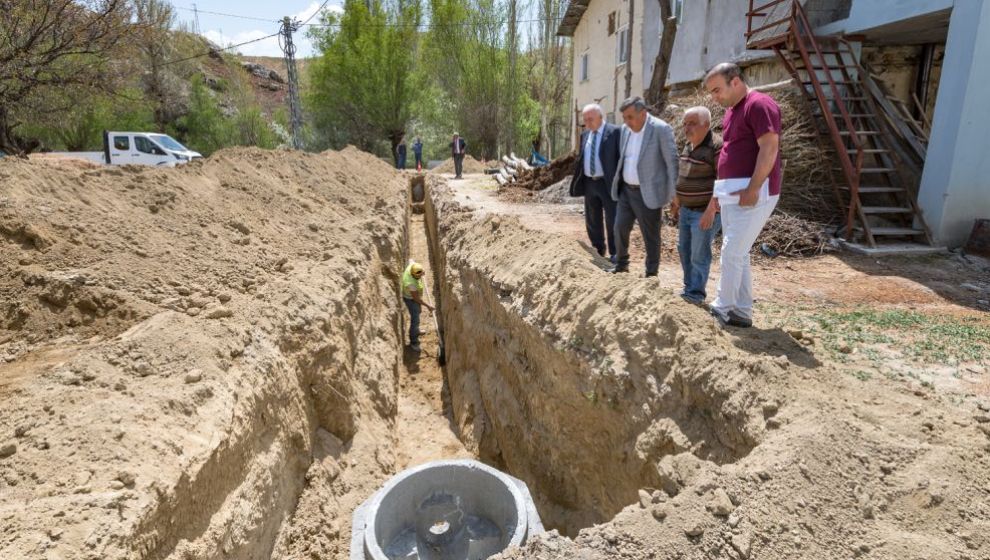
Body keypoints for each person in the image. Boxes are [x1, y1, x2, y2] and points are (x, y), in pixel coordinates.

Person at [704, 62, 782, 328]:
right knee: (740, 251)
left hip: (754, 192)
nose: (714, 97)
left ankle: (721, 308)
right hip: (732, 193)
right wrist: (719, 194)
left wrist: (753, 188)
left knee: (731, 251)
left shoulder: (759, 104)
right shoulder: (732, 111)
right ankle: (741, 310)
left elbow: (769, 148)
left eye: (717, 90)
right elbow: (730, 153)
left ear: (735, 81)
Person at [609, 96, 679, 277]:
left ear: (643, 113)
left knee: (651, 236)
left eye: (630, 117)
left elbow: (672, 162)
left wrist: (675, 193)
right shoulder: (625, 130)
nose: (626, 122)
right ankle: (621, 264)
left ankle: (651, 273)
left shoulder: (660, 129)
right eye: (624, 117)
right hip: (626, 190)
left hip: (648, 192)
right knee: (619, 228)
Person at [672, 106, 722, 304]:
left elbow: (722, 180)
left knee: (699, 253)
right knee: (684, 249)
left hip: (704, 211)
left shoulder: (716, 146)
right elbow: (682, 173)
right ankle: (689, 289)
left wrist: (712, 209)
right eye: (685, 123)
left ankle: (695, 294)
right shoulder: (688, 145)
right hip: (686, 210)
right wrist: (676, 200)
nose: (687, 127)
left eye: (692, 123)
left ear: (706, 125)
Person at [569, 103, 621, 261]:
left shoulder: (614, 132)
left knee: (612, 218)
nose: (587, 122)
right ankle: (598, 249)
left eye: (590, 119)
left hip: (607, 183)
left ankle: (615, 252)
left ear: (601, 117)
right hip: (590, 183)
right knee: (592, 218)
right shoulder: (585, 135)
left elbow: (620, 158)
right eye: (585, 119)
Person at [401, 261, 434, 352]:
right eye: (419, 275)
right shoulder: (411, 284)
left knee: (418, 311)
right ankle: (414, 342)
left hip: (414, 297)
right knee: (415, 319)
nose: (422, 275)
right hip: (410, 299)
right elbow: (416, 299)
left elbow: (411, 260)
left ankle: (417, 331)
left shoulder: (412, 266)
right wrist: (428, 306)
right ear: (414, 275)